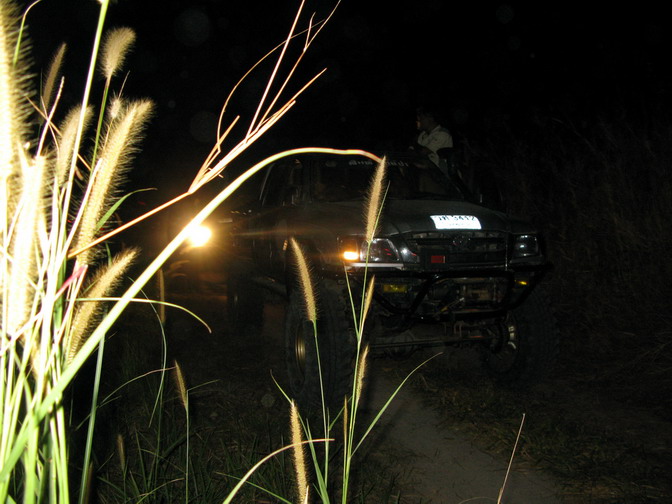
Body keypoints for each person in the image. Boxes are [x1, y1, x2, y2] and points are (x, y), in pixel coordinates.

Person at [413, 106, 454, 176]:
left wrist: (413, 144)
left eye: (421, 118)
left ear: (431, 118)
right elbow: (412, 152)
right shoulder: (423, 134)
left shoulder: (442, 133)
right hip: (429, 174)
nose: (419, 122)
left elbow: (423, 151)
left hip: (443, 176)